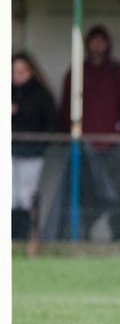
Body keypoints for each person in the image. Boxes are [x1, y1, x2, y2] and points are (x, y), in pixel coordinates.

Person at [59, 24, 120, 241]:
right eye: (93, 41)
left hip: (113, 147)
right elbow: (67, 106)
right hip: (83, 146)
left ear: (108, 44)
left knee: (114, 194)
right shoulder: (76, 73)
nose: (97, 45)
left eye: (101, 41)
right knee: (85, 194)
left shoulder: (119, 73)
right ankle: (79, 235)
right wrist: (71, 135)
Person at [11, 51, 59, 240]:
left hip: (32, 152)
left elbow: (52, 124)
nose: (17, 75)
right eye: (14, 71)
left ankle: (27, 237)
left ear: (32, 71)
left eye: (22, 71)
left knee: (26, 195)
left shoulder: (41, 94)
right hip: (9, 151)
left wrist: (38, 142)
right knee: (10, 195)